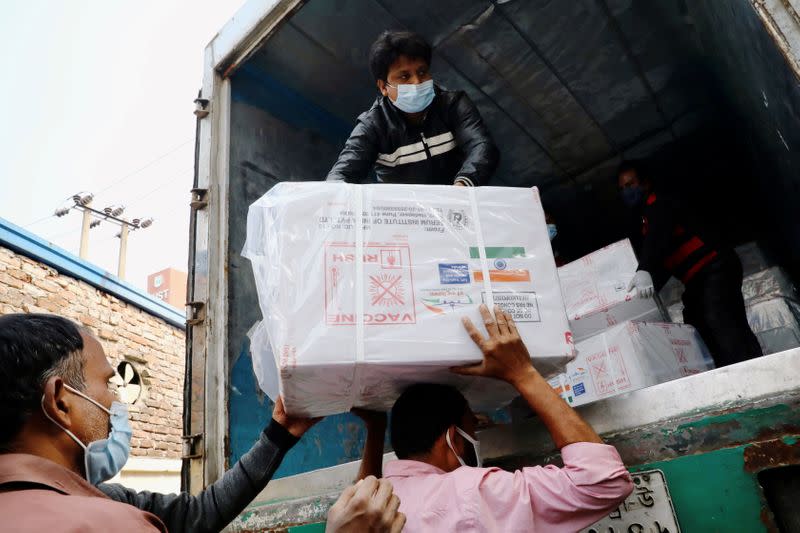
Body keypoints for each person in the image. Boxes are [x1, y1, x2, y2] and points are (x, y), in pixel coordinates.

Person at [0, 313, 405, 533]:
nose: (114, 400)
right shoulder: (110, 523)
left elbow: (197, 514)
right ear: (60, 401)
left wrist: (279, 433)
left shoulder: (99, 498)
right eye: (107, 382)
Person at [356, 304, 633, 532]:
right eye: (473, 431)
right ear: (453, 438)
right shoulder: (471, 492)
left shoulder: (367, 509)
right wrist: (522, 373)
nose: (477, 439)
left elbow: (363, 490)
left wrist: (376, 428)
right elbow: (603, 483)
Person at [618, 160, 763, 367]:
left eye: (630, 185)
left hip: (715, 267)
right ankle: (725, 371)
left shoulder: (659, 204)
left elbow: (659, 238)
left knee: (718, 317)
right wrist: (641, 298)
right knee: (697, 324)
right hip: (697, 279)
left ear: (645, 184)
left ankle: (747, 371)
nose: (627, 191)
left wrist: (644, 269)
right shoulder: (645, 223)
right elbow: (663, 261)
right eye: (622, 188)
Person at [326, 30, 499, 186]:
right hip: (407, 217)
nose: (417, 82)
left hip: (460, 206)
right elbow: (342, 174)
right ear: (383, 87)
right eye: (404, 76)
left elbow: (482, 147)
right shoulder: (373, 126)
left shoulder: (452, 105)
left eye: (422, 72)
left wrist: (461, 188)